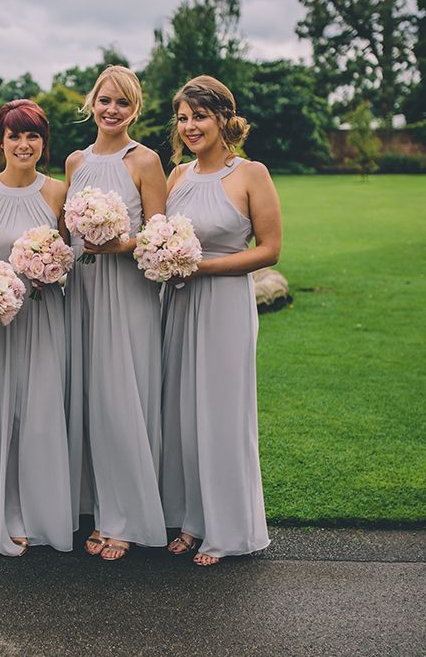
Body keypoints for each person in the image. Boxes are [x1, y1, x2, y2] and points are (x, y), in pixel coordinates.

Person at [160, 75, 281, 566]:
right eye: (183, 117)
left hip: (225, 303)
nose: (190, 126)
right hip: (180, 303)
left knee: (222, 414)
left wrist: (201, 265)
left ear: (225, 120)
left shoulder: (251, 174)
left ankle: (229, 530)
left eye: (200, 116)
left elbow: (270, 250)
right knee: (183, 413)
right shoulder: (177, 177)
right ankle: (191, 518)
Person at [64, 66, 168, 561]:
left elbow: (159, 236)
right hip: (83, 289)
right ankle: (94, 504)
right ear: (92, 103)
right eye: (105, 100)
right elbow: (67, 234)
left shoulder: (145, 160)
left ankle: (124, 516)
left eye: (122, 103)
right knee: (88, 397)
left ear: (135, 109)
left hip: (127, 291)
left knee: (122, 396)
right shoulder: (75, 161)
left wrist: (118, 243)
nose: (112, 110)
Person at [0, 99, 73, 557]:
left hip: (45, 317)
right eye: (15, 135)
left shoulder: (58, 192)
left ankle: (41, 510)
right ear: (1, 142)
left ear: (43, 144)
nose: (24, 144)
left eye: (33, 136)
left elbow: (75, 255)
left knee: (40, 414)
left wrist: (53, 266)